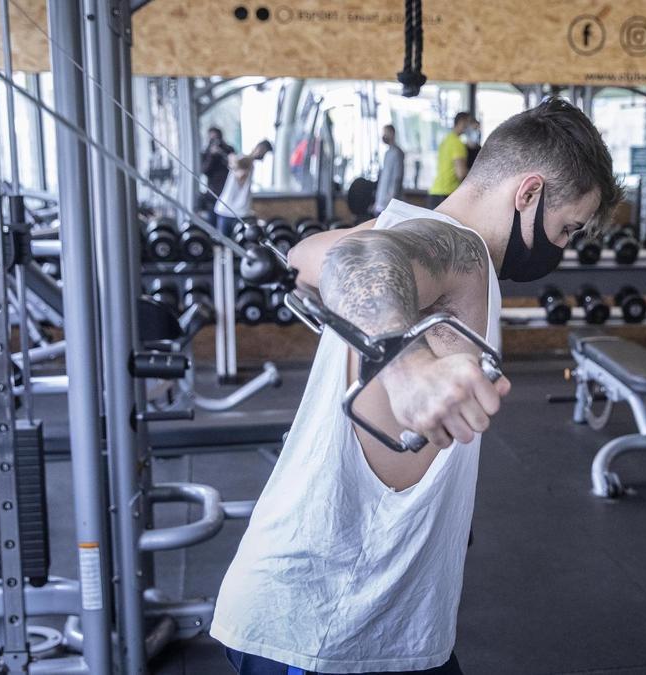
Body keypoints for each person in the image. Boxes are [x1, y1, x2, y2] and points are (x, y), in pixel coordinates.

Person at [211, 98, 621, 674]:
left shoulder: (401, 224)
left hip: (349, 615)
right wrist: (406, 364)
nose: (562, 245)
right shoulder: (463, 253)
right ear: (528, 193)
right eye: (566, 227)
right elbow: (361, 255)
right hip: (329, 632)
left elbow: (316, 254)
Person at [212, 139, 273, 238]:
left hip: (242, 213)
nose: (262, 155)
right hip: (226, 210)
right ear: (258, 148)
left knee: (240, 244)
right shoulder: (241, 159)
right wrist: (232, 157)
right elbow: (239, 166)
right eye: (263, 151)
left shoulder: (251, 163)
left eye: (264, 153)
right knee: (223, 243)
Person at [428, 111, 479, 209]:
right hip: (447, 194)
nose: (470, 126)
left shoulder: (446, 140)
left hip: (435, 192)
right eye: (468, 122)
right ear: (461, 122)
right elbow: (461, 173)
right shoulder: (457, 144)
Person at [200, 127, 235, 218]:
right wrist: (212, 156)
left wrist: (221, 152)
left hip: (227, 191)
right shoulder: (206, 153)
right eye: (212, 139)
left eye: (216, 138)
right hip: (212, 194)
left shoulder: (228, 149)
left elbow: (233, 166)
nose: (215, 141)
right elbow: (204, 171)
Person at [373, 124, 406, 216]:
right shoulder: (387, 153)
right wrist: (377, 201)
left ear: (392, 134)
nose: (383, 136)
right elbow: (384, 179)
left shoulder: (397, 153)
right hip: (381, 200)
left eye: (385, 133)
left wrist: (392, 200)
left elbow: (397, 178)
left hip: (390, 202)